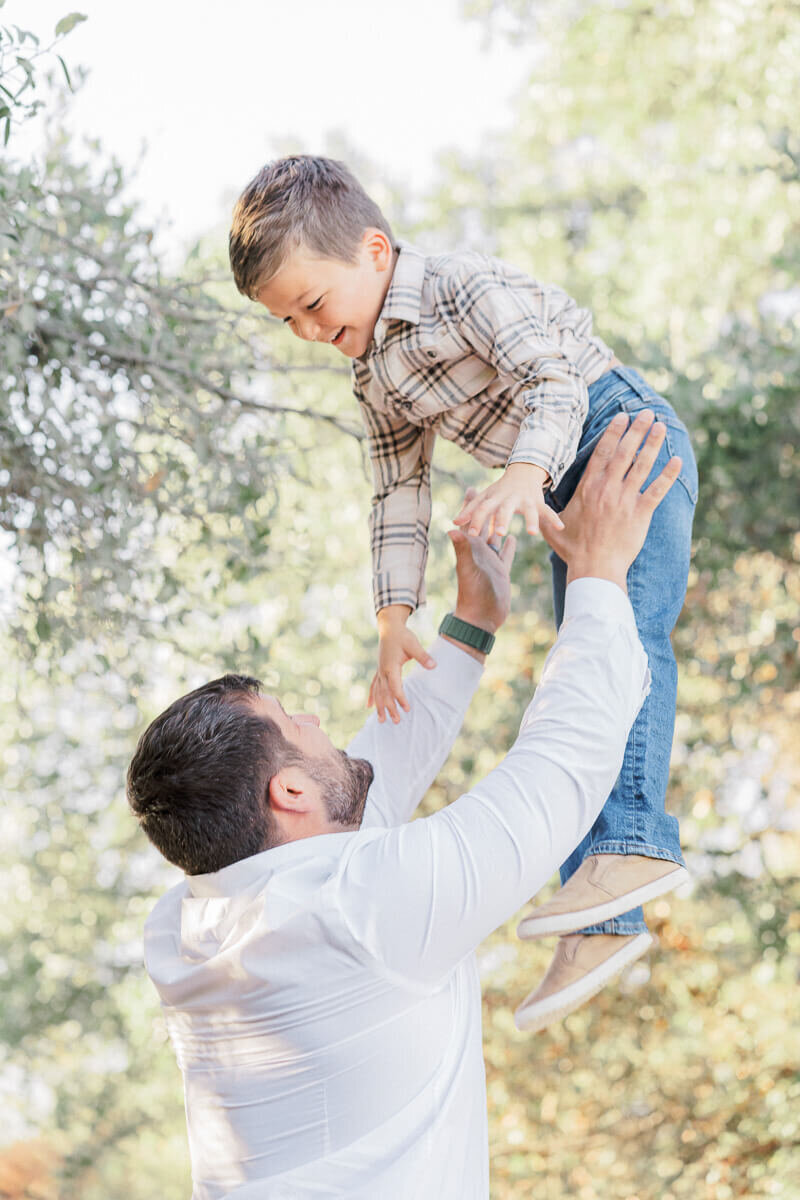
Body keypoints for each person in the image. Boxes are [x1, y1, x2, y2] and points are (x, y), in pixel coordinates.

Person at [129, 417, 680, 1199]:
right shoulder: (359, 910)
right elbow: (564, 764)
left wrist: (471, 626)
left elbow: (359, 793)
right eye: (297, 722)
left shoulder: (188, 926)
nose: (319, 723)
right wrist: (598, 574)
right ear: (286, 793)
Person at [228, 156, 698, 1027]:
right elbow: (399, 494)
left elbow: (553, 381)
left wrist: (526, 471)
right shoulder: (372, 375)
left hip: (622, 435)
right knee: (585, 658)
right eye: (287, 320)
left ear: (374, 250)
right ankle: (604, 918)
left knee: (626, 641)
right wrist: (393, 617)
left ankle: (631, 846)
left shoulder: (457, 289)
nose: (305, 330)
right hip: (557, 479)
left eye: (312, 304)